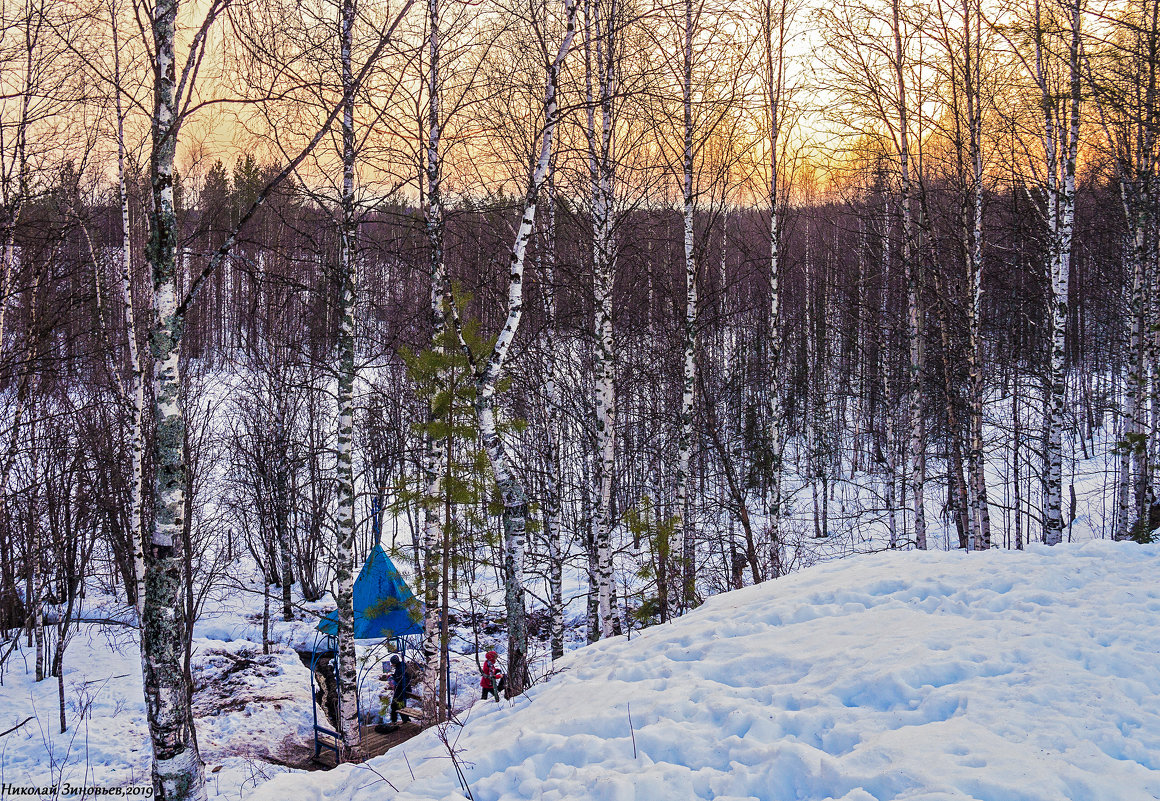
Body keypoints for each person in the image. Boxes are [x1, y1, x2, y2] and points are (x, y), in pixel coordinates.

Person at [388, 654, 411, 724]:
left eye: (392, 663)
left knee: (397, 705)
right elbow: (398, 677)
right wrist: (392, 676)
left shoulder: (401, 668)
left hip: (402, 690)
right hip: (401, 689)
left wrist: (393, 680)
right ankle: (404, 720)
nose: (391, 664)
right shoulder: (400, 666)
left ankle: (402, 721)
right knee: (398, 705)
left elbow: (401, 679)